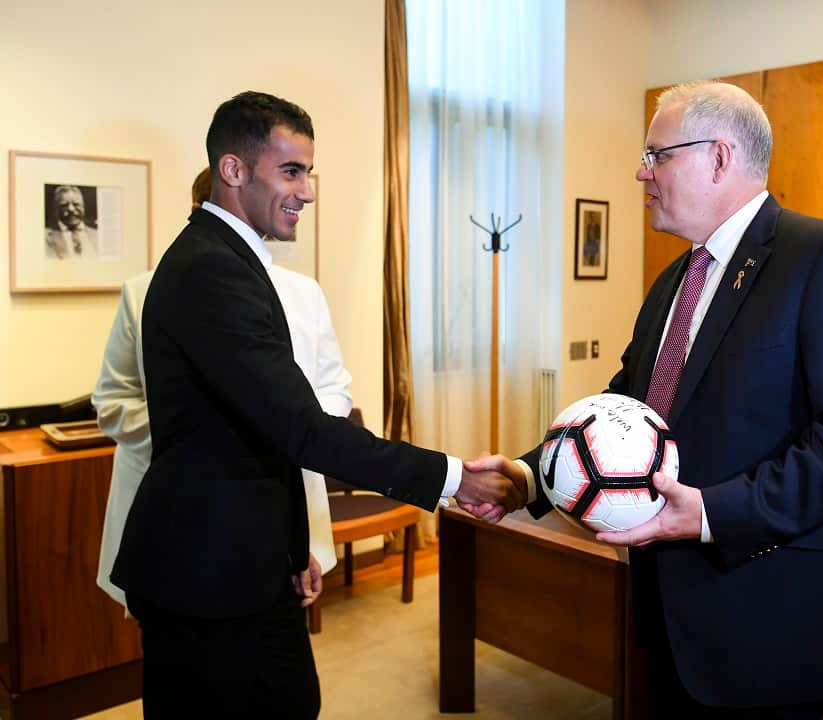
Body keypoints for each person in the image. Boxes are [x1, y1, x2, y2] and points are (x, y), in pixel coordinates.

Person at [469, 82, 823, 718]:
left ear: (720, 157)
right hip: (669, 607)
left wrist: (712, 513)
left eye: (657, 155)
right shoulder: (674, 279)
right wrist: (528, 475)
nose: (640, 172)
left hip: (771, 610)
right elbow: (624, 409)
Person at [110, 91, 523, 719]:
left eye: (308, 173)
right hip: (204, 572)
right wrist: (454, 477)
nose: (306, 192)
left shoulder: (230, 260)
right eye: (290, 171)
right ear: (233, 170)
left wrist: (291, 544)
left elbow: (260, 434)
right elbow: (300, 427)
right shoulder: (211, 271)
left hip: (246, 556)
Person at [94, 167, 347, 610]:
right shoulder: (145, 291)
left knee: (280, 636)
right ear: (199, 212)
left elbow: (334, 387)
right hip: (180, 514)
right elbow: (113, 402)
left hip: (285, 500)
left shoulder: (305, 294)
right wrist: (209, 433)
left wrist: (291, 428)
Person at [45, 184, 98, 258]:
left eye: (76, 204)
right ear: (56, 209)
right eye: (64, 205)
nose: (71, 209)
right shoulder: (45, 238)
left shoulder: (97, 234)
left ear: (83, 206)